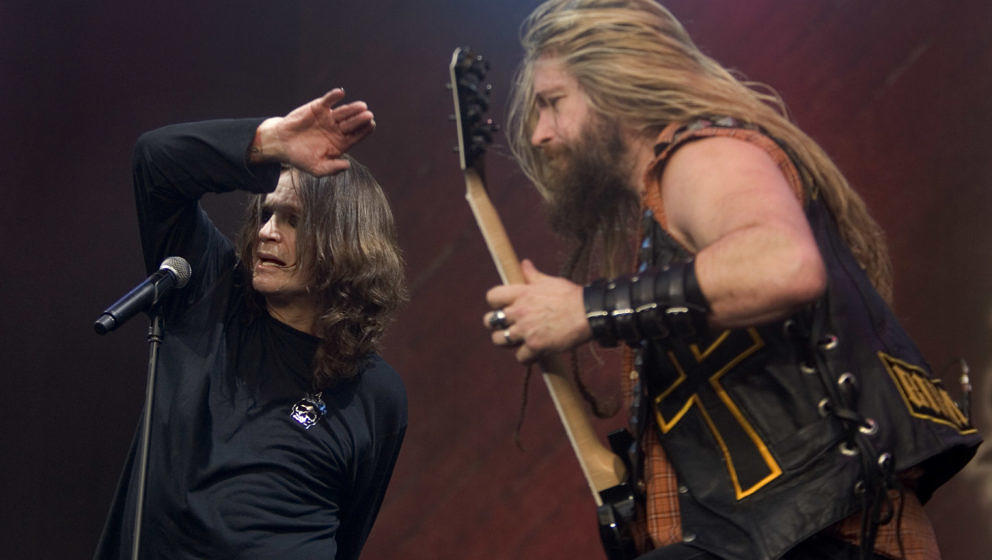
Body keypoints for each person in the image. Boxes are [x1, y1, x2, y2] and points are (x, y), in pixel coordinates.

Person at [482, 1, 980, 559]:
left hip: (826, 537)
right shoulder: (668, 198)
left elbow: (782, 264)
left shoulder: (701, 156)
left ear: (615, 84)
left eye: (553, 103)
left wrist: (587, 311)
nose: (542, 133)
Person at [95, 89, 408, 559]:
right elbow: (155, 161)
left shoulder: (374, 392)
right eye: (266, 213)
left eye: (293, 220)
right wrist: (271, 141)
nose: (266, 231)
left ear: (345, 244)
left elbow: (350, 536)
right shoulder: (210, 299)